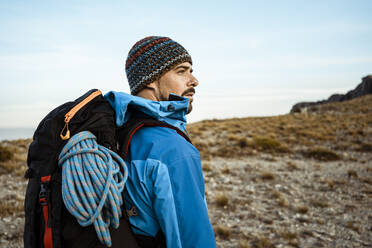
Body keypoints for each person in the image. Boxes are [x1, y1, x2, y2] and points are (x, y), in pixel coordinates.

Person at [104, 36, 217, 248]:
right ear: (150, 79)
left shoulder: (120, 131)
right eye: (181, 71)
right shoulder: (172, 150)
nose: (194, 80)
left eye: (191, 71)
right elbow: (191, 239)